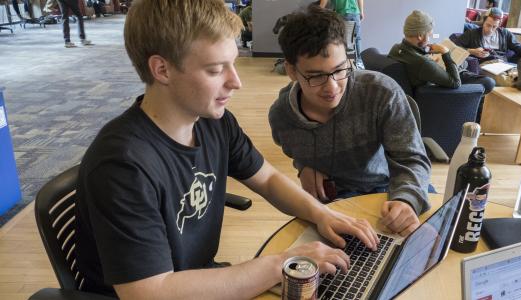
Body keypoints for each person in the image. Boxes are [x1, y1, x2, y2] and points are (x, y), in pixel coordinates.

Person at [75, 0, 379, 298]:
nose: (236, 82)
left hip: (202, 277)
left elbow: (268, 179)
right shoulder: (122, 165)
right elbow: (149, 291)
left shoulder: (212, 122)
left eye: (232, 64)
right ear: (162, 69)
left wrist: (321, 214)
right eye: (215, 70)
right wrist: (281, 263)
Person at [269, 7, 432, 237]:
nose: (332, 87)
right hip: (336, 201)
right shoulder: (281, 117)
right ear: (291, 71)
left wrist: (407, 199)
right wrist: (304, 166)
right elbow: (296, 152)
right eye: (316, 76)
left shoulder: (381, 92)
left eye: (340, 69)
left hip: (393, 187)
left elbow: (412, 158)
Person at [388, 10, 495, 121]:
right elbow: (455, 82)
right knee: (488, 82)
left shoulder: (396, 48)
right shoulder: (422, 63)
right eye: (429, 35)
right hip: (438, 94)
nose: (429, 39)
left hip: (430, 82)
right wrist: (445, 53)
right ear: (420, 35)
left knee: (470, 69)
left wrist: (426, 56)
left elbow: (415, 63)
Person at [456, 7, 521, 65]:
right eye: (488, 25)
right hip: (486, 63)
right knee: (506, 75)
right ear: (483, 21)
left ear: (499, 24)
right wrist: (471, 51)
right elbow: (455, 47)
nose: (490, 29)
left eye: (494, 26)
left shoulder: (505, 33)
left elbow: (518, 47)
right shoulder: (472, 33)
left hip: (503, 63)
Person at [319, 0, 365, 69]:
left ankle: (346, 63)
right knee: (356, 38)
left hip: (341, 14)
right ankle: (358, 62)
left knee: (344, 40)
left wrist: (319, 10)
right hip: (354, 13)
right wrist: (361, 11)